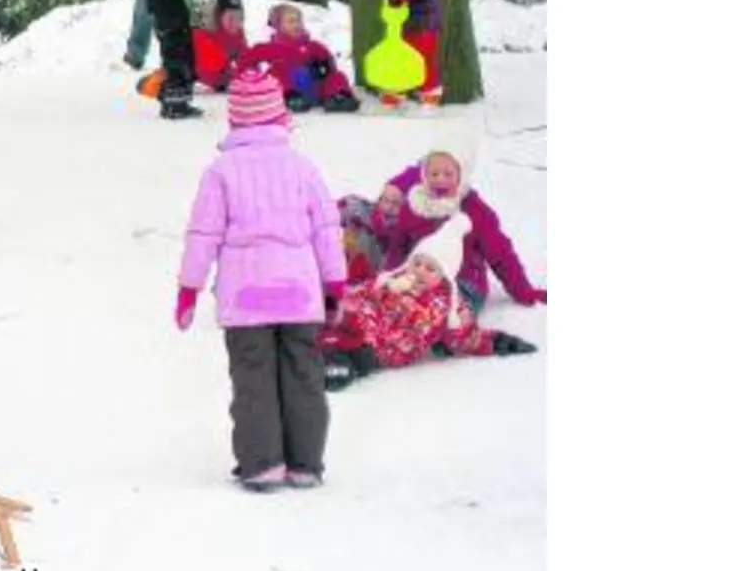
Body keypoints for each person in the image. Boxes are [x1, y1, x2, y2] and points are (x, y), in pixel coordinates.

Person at [173, 71, 346, 491]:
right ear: (280, 118)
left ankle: (262, 463)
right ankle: (305, 463)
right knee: (304, 374)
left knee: (254, 379)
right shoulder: (302, 167)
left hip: (246, 296)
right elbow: (327, 228)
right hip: (298, 293)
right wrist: (335, 284)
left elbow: (204, 233)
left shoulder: (220, 171)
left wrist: (188, 289)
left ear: (234, 121)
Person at [319, 214, 538, 392]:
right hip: (361, 322)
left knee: (360, 354)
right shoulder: (392, 278)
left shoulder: (448, 306)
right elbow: (363, 292)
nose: (421, 271)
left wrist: (498, 342)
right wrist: (344, 300)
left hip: (385, 348)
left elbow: (468, 336)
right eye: (418, 263)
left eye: (430, 268)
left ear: (444, 275)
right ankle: (305, 344)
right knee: (333, 322)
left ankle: (337, 367)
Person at [363, 146, 547, 314]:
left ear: (461, 174)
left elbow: (501, 254)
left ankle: (439, 329)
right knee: (391, 298)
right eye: (434, 174)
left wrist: (524, 292)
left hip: (463, 282)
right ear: (424, 176)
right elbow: (398, 248)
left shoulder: (474, 209)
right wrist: (387, 277)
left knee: (430, 308)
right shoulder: (414, 206)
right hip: (419, 275)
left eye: (448, 174)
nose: (440, 180)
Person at [234, 3, 360, 113]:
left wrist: (324, 67)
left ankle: (338, 98)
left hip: (315, 89)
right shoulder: (271, 48)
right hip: (289, 92)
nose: (297, 24)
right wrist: (251, 78)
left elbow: (329, 62)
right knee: (277, 71)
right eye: (291, 21)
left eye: (299, 21)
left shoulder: (313, 46)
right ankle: (290, 98)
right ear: (278, 25)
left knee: (338, 76)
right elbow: (246, 60)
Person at [198, 0, 250, 92]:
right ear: (219, 17)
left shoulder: (238, 33)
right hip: (203, 76)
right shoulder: (208, 34)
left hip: (223, 76)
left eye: (239, 18)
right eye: (230, 18)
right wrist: (225, 80)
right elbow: (206, 66)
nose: (235, 23)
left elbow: (245, 57)